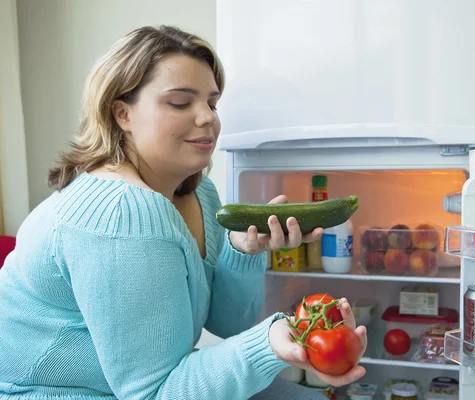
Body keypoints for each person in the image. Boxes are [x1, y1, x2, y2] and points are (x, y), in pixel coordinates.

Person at [0, 25, 367, 400]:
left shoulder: (201, 193)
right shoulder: (122, 216)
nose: (207, 117)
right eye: (180, 102)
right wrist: (271, 343)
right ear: (122, 113)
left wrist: (240, 252)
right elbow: (155, 393)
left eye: (211, 103)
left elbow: (229, 323)